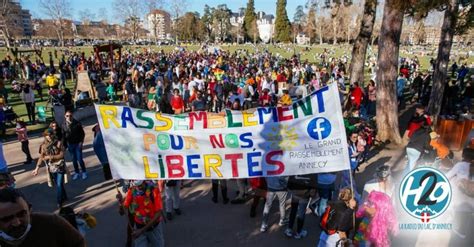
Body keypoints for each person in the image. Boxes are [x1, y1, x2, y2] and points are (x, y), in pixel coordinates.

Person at [0, 188, 85, 247]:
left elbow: (77, 243)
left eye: (21, 214)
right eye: (6, 219)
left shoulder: (51, 222)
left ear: (30, 210)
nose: (17, 222)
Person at [121, 180, 165, 247]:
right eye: (136, 185)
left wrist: (141, 230)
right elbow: (122, 212)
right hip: (139, 227)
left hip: (153, 228)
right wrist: (120, 203)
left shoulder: (154, 190)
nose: (138, 187)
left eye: (140, 185)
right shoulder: (132, 191)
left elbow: (158, 213)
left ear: (144, 182)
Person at [32, 128, 68, 208]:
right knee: (59, 184)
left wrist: (50, 157)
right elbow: (41, 157)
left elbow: (61, 155)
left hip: (60, 166)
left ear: (53, 135)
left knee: (59, 184)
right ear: (45, 136)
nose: (49, 137)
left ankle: (59, 201)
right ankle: (64, 196)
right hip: (51, 168)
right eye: (47, 135)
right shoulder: (43, 146)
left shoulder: (58, 143)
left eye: (50, 135)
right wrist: (36, 169)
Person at [284, 174, 317, 239]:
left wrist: (290, 189)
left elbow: (290, 181)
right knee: (301, 213)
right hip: (304, 195)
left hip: (296, 193)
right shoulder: (311, 170)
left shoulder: (297, 167)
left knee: (293, 211)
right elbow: (313, 184)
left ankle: (289, 229)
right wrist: (312, 194)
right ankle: (298, 232)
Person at [62, 111, 87, 180]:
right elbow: (64, 136)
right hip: (70, 144)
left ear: (72, 116)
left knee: (80, 159)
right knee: (74, 160)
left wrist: (81, 142)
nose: (69, 117)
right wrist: (64, 145)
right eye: (67, 116)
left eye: (70, 116)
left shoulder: (77, 123)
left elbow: (82, 134)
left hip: (77, 144)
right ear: (65, 116)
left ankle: (84, 172)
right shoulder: (63, 125)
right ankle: (77, 172)